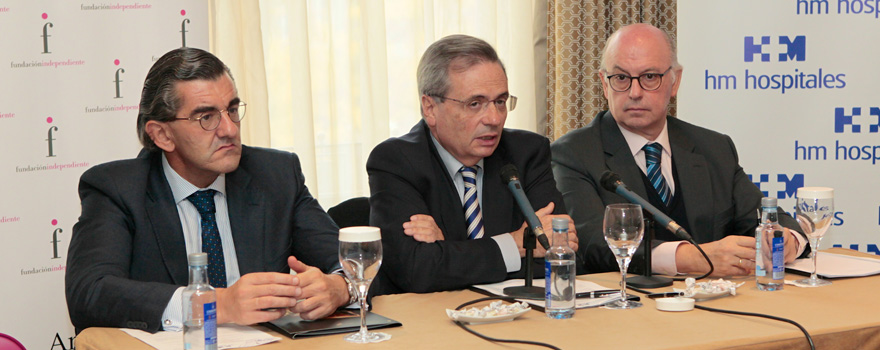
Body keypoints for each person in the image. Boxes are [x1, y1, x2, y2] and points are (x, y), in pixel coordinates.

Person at [65, 48, 355, 333]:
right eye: (206, 117)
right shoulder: (117, 189)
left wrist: (340, 287)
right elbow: (89, 293)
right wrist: (215, 303)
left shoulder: (275, 175)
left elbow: (354, 263)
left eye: (231, 110)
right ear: (163, 135)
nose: (229, 129)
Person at [551, 24, 808, 276]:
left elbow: (764, 218)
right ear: (604, 84)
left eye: (650, 77)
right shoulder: (573, 154)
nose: (635, 92)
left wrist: (787, 241)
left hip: (715, 307)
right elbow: (594, 246)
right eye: (621, 78)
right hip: (627, 309)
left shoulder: (713, 148)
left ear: (675, 82)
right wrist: (693, 259)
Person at [367, 34, 578, 296]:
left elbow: (558, 253)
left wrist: (448, 248)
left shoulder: (526, 153)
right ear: (430, 108)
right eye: (475, 103)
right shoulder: (396, 161)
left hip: (518, 317)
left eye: (500, 102)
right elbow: (416, 271)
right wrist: (515, 245)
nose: (493, 118)